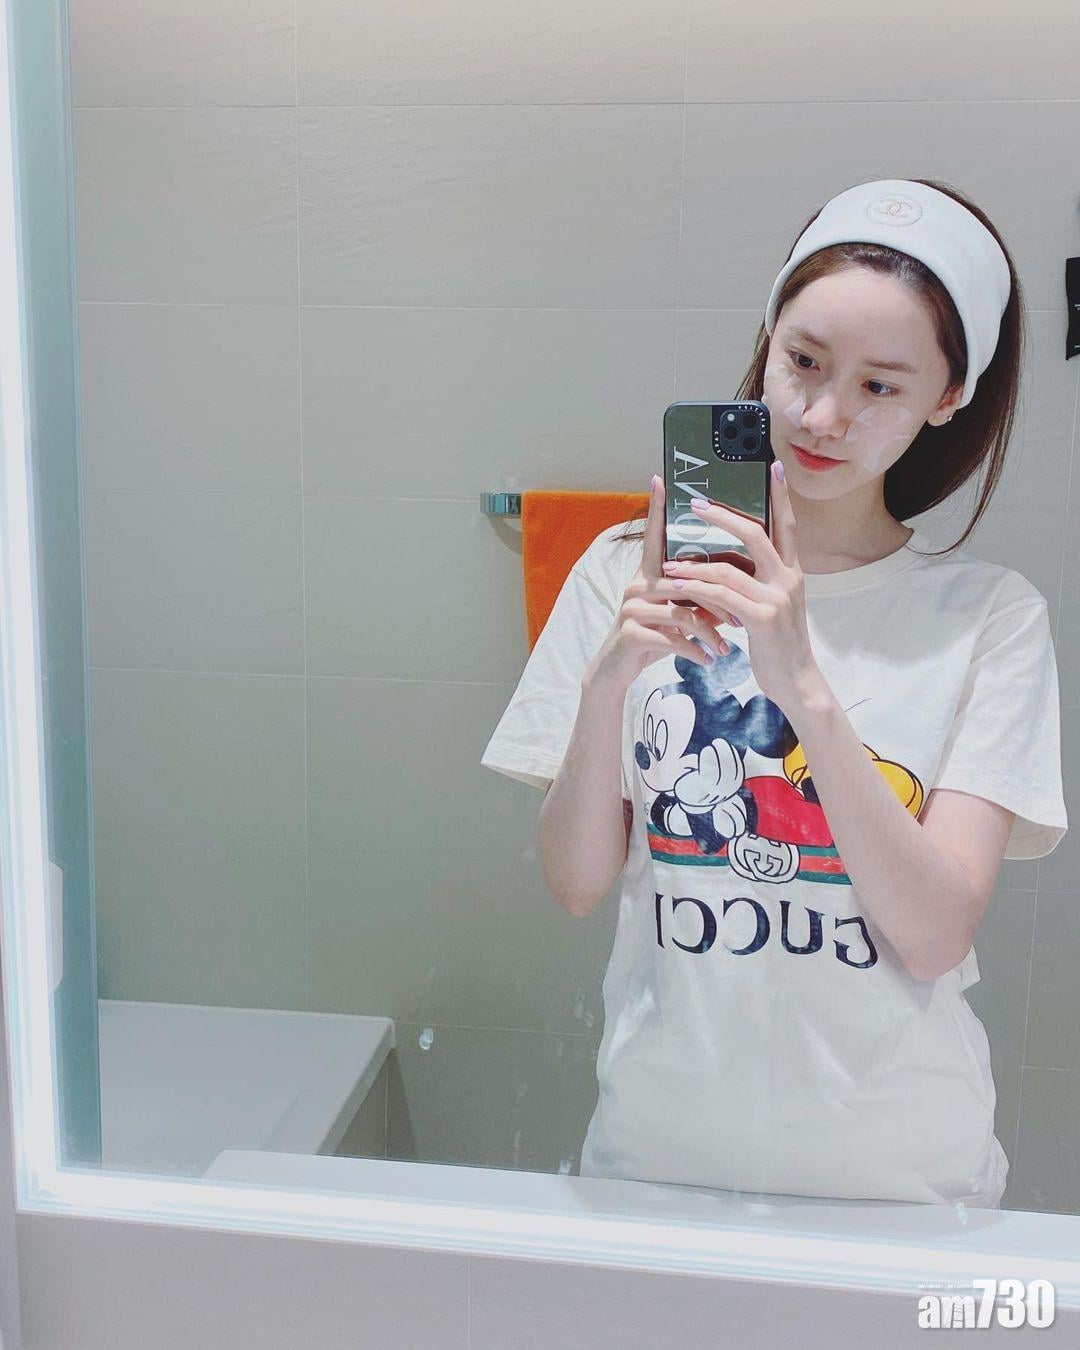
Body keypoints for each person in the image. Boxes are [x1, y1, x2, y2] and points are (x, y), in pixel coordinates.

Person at [480, 178, 1069, 1208]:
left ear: (947, 398)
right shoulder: (624, 571)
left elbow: (935, 936)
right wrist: (611, 680)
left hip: (903, 1184)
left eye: (880, 385)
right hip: (656, 1159)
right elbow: (576, 884)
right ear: (769, 339)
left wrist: (802, 683)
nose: (823, 414)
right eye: (803, 360)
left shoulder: (989, 617)